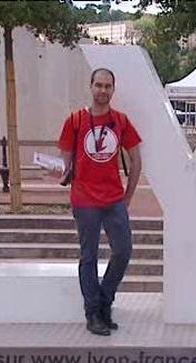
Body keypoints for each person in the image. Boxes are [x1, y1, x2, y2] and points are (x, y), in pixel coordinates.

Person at [57, 68, 142, 336]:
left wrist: (128, 196)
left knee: (123, 250)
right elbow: (66, 162)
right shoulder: (75, 121)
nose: (103, 90)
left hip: (113, 199)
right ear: (90, 86)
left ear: (113, 90)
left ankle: (105, 300)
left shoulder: (121, 121)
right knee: (89, 256)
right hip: (85, 201)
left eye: (107, 86)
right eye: (98, 85)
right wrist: (61, 172)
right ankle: (93, 313)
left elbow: (136, 159)